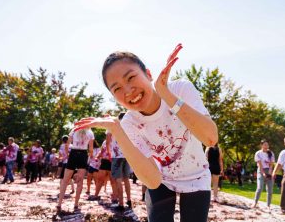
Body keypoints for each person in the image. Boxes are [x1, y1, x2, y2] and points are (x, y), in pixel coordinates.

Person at [74, 44, 218, 222]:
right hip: (161, 179)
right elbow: (152, 181)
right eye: (117, 88)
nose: (127, 91)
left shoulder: (180, 89)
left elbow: (210, 138)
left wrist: (166, 94)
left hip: (196, 175)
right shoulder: (128, 123)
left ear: (148, 74)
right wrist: (117, 130)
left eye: (131, 77)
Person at [57, 128, 94, 213]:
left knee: (65, 180)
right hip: (83, 154)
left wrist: (68, 154)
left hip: (73, 153)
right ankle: (76, 204)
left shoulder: (74, 129)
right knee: (80, 182)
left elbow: (67, 145)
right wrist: (89, 157)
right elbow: (91, 149)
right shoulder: (90, 132)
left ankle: (59, 204)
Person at [109, 112, 132, 211]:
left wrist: (110, 153)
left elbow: (108, 141)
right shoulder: (129, 126)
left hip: (117, 156)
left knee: (118, 180)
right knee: (126, 179)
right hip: (127, 155)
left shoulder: (114, 126)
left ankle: (121, 204)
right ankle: (129, 200)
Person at [253, 140, 275, 209]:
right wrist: (263, 173)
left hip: (269, 170)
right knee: (260, 187)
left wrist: (269, 173)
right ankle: (255, 203)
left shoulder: (271, 153)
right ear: (261, 145)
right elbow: (260, 165)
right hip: (261, 170)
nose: (266, 146)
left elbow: (271, 164)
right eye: (265, 145)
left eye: (267, 145)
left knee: (270, 189)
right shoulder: (258, 153)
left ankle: (268, 205)